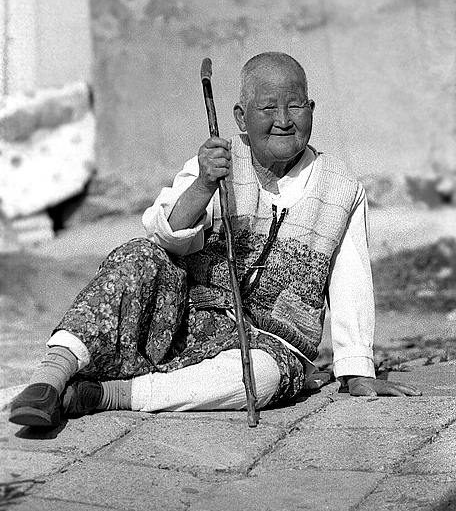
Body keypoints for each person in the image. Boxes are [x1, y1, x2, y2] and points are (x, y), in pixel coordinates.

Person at [9, 52, 420, 429]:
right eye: (268, 108)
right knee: (138, 255)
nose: (283, 120)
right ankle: (49, 379)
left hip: (271, 344)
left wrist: (357, 369)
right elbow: (166, 235)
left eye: (295, 106)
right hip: (185, 318)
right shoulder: (217, 160)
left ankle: (105, 395)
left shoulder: (342, 187)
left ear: (311, 110)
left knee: (262, 378)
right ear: (241, 117)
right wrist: (205, 184)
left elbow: (351, 280)